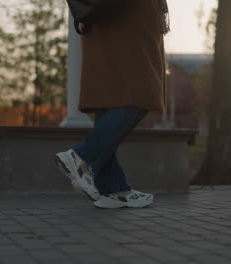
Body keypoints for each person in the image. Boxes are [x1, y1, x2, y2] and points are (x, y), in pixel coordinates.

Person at [55, 0, 170, 209]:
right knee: (143, 92)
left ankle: (112, 189)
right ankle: (81, 157)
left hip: (100, 17)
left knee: (108, 96)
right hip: (128, 18)